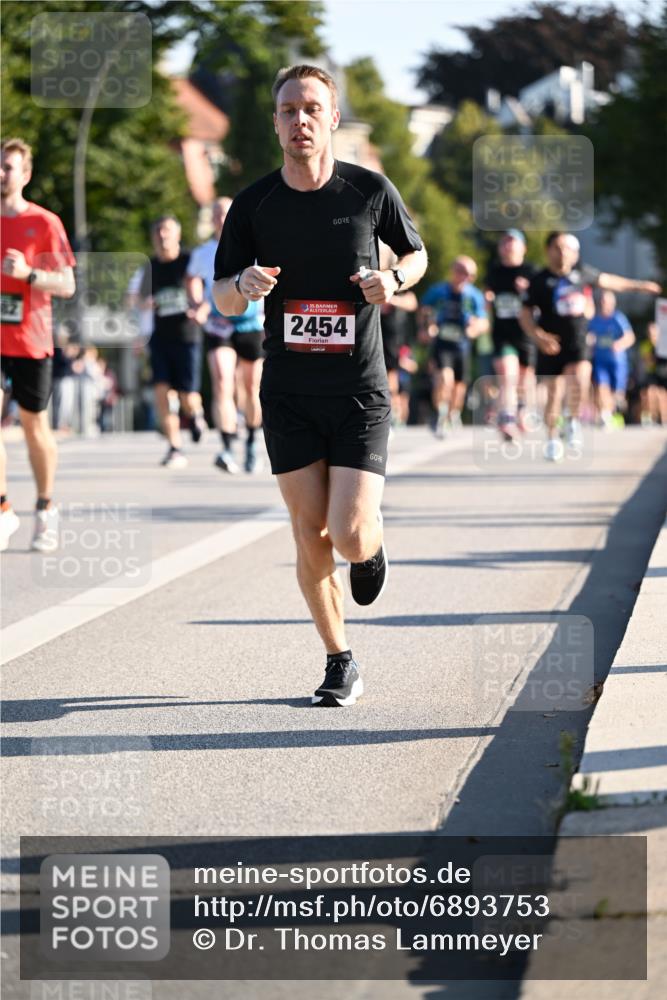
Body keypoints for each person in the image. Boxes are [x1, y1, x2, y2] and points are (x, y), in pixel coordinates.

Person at [213, 64, 427, 706]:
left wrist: (393, 281)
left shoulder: (368, 191)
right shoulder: (253, 204)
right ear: (275, 121)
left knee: (352, 531)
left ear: (332, 119)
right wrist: (242, 287)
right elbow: (221, 296)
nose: (299, 120)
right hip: (288, 391)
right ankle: (340, 659)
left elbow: (417, 255)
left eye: (311, 109)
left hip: (359, 389)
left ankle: (370, 551)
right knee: (309, 531)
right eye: (287, 110)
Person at [519, 232, 661, 462]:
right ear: (548, 251)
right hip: (551, 345)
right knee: (554, 393)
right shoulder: (538, 281)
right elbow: (524, 315)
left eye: (568, 248)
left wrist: (640, 286)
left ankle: (572, 421)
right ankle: (553, 439)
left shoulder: (582, 273)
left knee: (580, 381)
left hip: (578, 341)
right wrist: (538, 336)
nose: (563, 252)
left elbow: (611, 281)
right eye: (558, 247)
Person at [0, 137, 76, 552]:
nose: (1, 173)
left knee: (34, 428)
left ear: (25, 175)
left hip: (30, 339)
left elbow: (66, 283)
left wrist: (29, 273)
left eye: (8, 167)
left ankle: (45, 510)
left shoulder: (45, 223)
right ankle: (3, 509)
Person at [186, 197, 265, 474]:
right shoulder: (204, 252)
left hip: (251, 324)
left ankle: (253, 442)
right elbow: (192, 278)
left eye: (226, 213)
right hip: (218, 325)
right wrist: (197, 304)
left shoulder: (254, 244)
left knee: (250, 387)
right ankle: (227, 447)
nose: (221, 218)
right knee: (222, 382)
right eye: (217, 213)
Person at [136, 216, 207, 469]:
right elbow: (135, 299)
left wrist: (201, 311)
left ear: (177, 235)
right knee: (161, 391)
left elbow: (207, 292)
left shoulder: (190, 261)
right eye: (158, 232)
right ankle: (175, 448)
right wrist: (144, 304)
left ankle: (196, 414)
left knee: (188, 396)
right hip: (160, 338)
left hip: (187, 336)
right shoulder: (149, 266)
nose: (162, 236)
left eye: (167, 231)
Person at [421, 256, 488, 437]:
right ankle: (440, 413)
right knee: (444, 379)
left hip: (462, 345)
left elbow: (483, 321)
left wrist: (474, 328)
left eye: (470, 274)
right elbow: (424, 309)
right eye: (462, 272)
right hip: (442, 343)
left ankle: (453, 412)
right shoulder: (438, 291)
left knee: (459, 388)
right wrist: (426, 327)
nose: (465, 277)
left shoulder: (474, 295)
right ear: (453, 271)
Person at [485, 230, 536, 440]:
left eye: (512, 242)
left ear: (523, 247)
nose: (508, 246)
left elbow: (541, 299)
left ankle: (521, 411)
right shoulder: (494, 271)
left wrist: (527, 290)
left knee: (524, 381)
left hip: (526, 333)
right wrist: (486, 299)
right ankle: (507, 418)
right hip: (502, 332)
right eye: (504, 242)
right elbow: (487, 297)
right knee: (507, 373)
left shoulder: (530, 271)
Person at [588, 290, 635, 429]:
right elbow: (589, 336)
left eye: (606, 301)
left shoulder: (618, 318)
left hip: (617, 362)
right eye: (602, 300)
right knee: (602, 387)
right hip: (600, 360)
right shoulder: (594, 320)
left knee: (617, 393)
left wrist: (619, 344)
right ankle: (606, 415)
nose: (604, 304)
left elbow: (630, 337)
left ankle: (614, 412)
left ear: (612, 303)